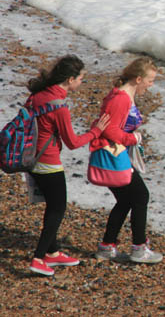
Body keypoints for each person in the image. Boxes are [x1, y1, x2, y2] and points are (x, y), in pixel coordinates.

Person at [25, 55, 111, 277]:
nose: (82, 82)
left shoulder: (38, 94)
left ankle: (52, 254)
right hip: (48, 162)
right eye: (81, 78)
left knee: (51, 205)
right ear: (70, 79)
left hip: (30, 157)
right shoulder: (59, 105)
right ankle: (38, 257)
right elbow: (73, 142)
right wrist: (96, 132)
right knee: (57, 209)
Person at [90, 57, 163, 264]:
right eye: (150, 80)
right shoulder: (121, 98)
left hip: (118, 153)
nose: (151, 84)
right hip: (113, 154)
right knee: (141, 196)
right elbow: (109, 129)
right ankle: (139, 249)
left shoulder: (124, 95)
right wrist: (132, 138)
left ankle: (107, 247)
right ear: (138, 79)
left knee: (126, 200)